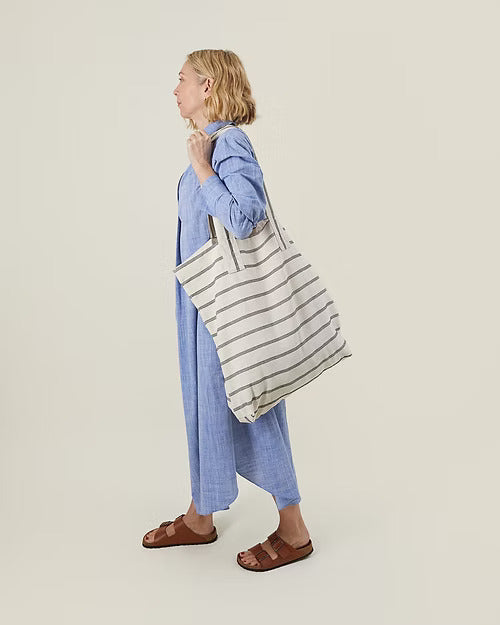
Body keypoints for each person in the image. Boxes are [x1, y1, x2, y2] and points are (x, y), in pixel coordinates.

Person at [142, 49, 313, 571]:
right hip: (203, 302)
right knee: (207, 405)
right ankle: (201, 515)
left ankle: (294, 529)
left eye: (182, 79)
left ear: (208, 86)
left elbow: (244, 217)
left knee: (252, 404)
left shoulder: (227, 143)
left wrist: (201, 167)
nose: (175, 89)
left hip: (227, 308)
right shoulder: (210, 141)